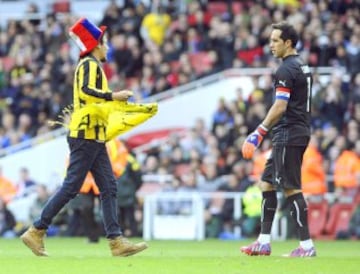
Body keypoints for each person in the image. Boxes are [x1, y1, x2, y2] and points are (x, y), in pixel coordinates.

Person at [20, 17, 148, 257]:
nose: (107, 47)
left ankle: (116, 240)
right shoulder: (89, 65)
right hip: (86, 134)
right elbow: (88, 93)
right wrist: (114, 96)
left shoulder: (88, 64)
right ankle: (37, 229)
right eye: (104, 42)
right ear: (96, 45)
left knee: (108, 186)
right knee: (73, 187)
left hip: (92, 135)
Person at [240, 21, 316, 257]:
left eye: (275, 41)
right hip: (296, 131)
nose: (270, 45)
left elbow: (280, 105)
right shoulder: (301, 66)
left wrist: (258, 132)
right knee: (267, 183)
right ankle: (263, 242)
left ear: (288, 43)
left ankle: (306, 246)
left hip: (289, 133)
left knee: (291, 188)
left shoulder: (285, 70)